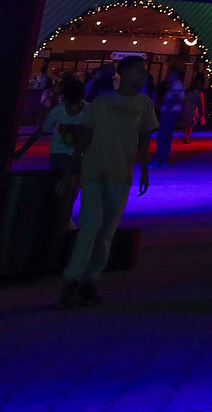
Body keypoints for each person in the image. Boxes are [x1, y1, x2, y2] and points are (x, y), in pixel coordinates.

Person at [60, 56, 156, 308]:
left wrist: (144, 169)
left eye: (144, 72)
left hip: (121, 173)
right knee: (90, 226)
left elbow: (144, 138)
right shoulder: (102, 101)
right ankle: (71, 280)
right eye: (138, 72)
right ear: (123, 73)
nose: (143, 76)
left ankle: (90, 281)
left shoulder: (144, 104)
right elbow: (85, 137)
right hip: (94, 170)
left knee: (106, 232)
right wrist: (71, 169)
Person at [15, 73, 89, 186]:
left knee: (73, 185)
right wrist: (24, 149)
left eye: (75, 105)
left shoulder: (90, 111)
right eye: (70, 105)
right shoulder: (58, 111)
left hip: (79, 155)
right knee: (60, 183)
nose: (72, 109)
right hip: (59, 153)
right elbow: (41, 130)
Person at [152, 71, 185, 166]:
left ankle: (158, 158)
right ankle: (163, 159)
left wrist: (166, 109)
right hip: (171, 111)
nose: (167, 77)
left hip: (170, 112)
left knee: (162, 135)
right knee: (166, 135)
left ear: (174, 76)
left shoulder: (177, 85)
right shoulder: (175, 85)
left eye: (169, 75)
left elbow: (175, 98)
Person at [181, 72, 206, 143]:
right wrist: (202, 112)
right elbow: (201, 103)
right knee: (191, 124)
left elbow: (184, 99)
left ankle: (185, 135)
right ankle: (187, 136)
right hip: (193, 109)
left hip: (186, 108)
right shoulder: (198, 93)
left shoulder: (188, 92)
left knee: (186, 123)